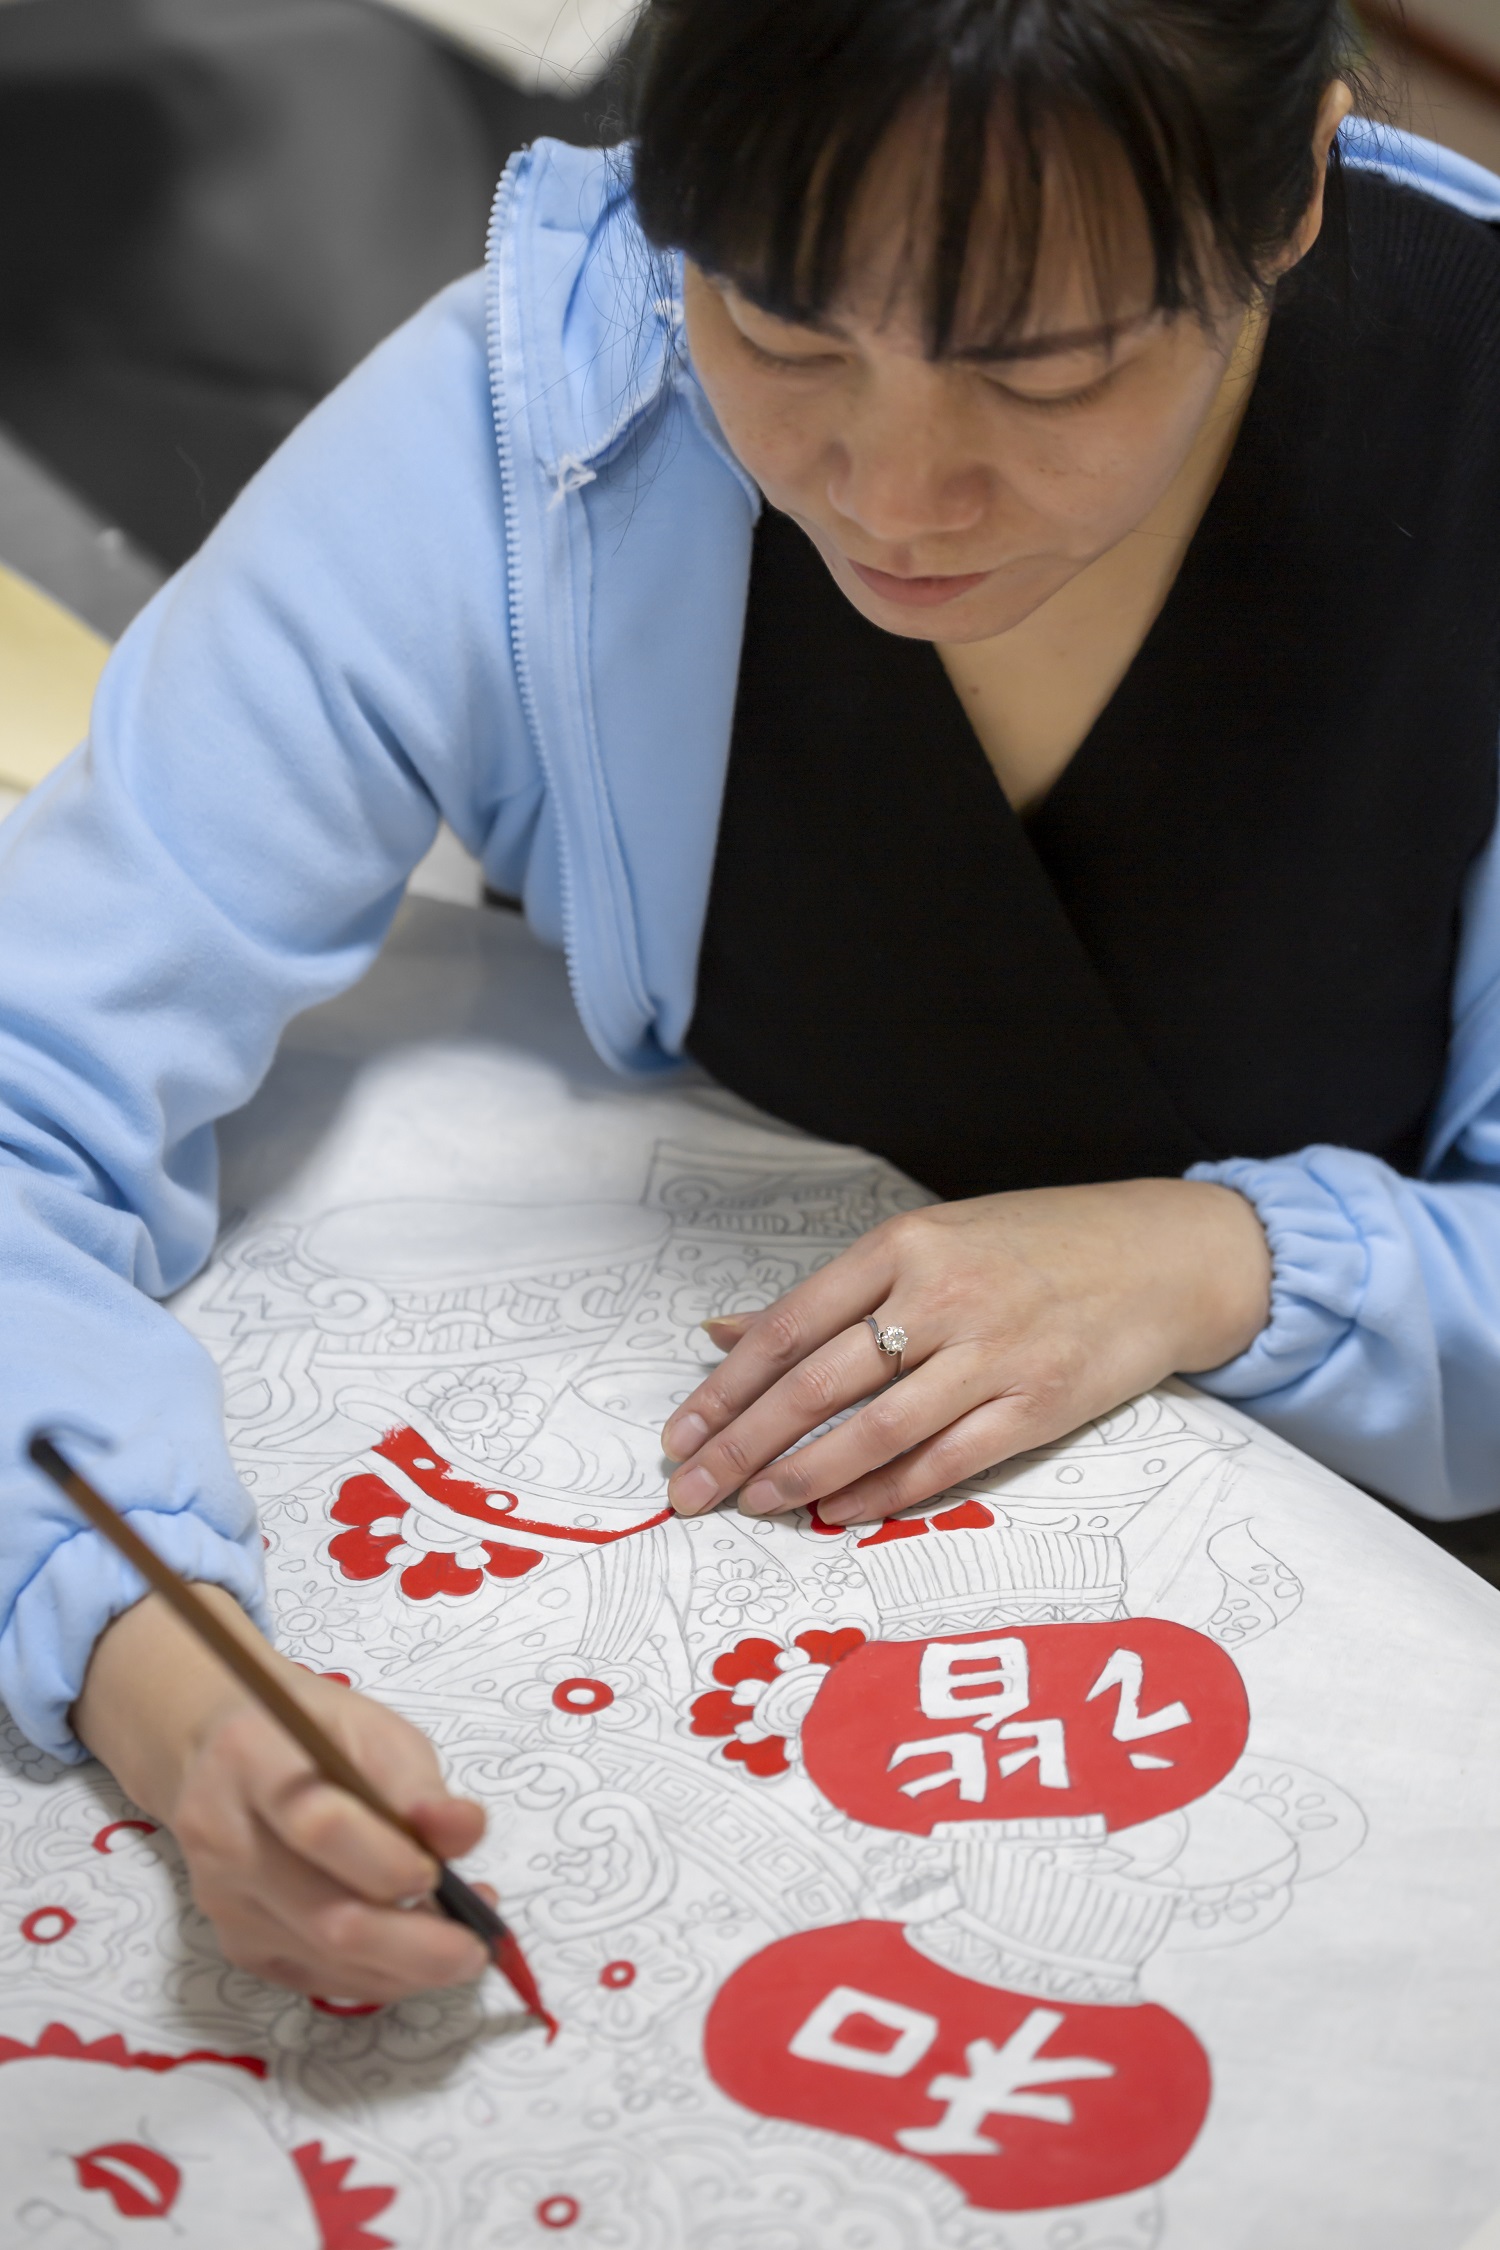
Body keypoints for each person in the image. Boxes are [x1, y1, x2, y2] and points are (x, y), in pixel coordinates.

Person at [2, 0, 1498, 2005]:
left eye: (1043, 371)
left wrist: (1225, 1263)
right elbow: (26, 1077)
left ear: (1291, 187)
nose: (894, 491)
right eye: (781, 331)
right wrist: (165, 1674)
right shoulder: (546, 406)